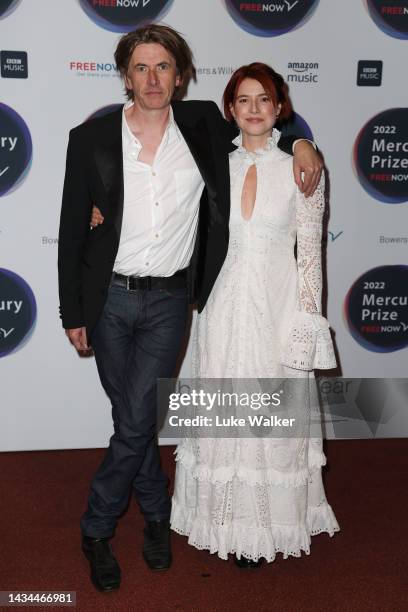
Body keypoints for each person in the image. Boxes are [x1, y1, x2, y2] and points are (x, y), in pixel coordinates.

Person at [58, 24, 322, 592]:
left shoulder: (203, 124)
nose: (153, 79)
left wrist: (303, 142)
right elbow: (71, 232)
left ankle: (97, 528)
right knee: (131, 420)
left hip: (171, 301)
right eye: (141, 68)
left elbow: (268, 113)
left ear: (180, 76)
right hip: (106, 299)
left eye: (163, 68)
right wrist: (70, 312)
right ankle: (156, 513)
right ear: (125, 75)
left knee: (135, 418)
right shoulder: (91, 138)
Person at [170, 63, 340, 567]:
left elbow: (310, 254)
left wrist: (307, 322)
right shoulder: (212, 164)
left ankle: (264, 525)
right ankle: (221, 519)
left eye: (264, 99)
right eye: (243, 100)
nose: (254, 109)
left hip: (277, 302)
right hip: (221, 304)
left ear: (279, 107)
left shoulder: (301, 166)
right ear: (230, 110)